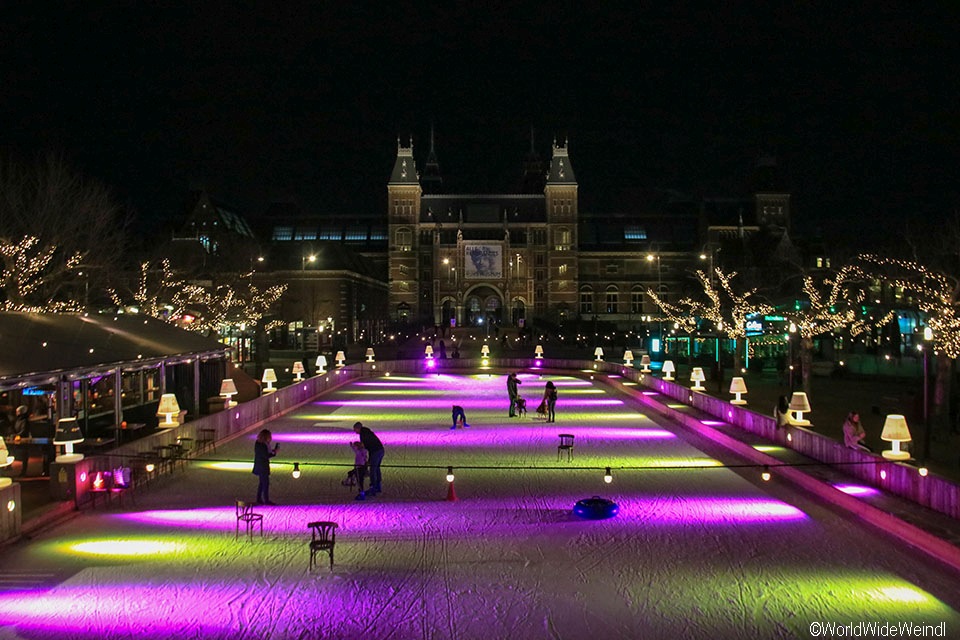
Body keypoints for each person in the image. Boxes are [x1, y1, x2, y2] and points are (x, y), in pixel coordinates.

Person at [354, 422, 384, 495]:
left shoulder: (363, 434)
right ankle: (378, 485)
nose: (355, 432)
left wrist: (356, 445)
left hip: (375, 451)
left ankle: (373, 487)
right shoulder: (367, 432)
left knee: (373, 469)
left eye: (355, 430)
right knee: (376, 468)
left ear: (358, 428)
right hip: (380, 450)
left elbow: (364, 445)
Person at [252, 429, 279, 505]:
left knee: (261, 483)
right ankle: (266, 500)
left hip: (260, 465)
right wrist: (274, 453)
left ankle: (259, 499)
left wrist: (273, 452)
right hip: (263, 467)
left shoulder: (258, 443)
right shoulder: (263, 445)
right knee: (265, 483)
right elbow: (266, 455)